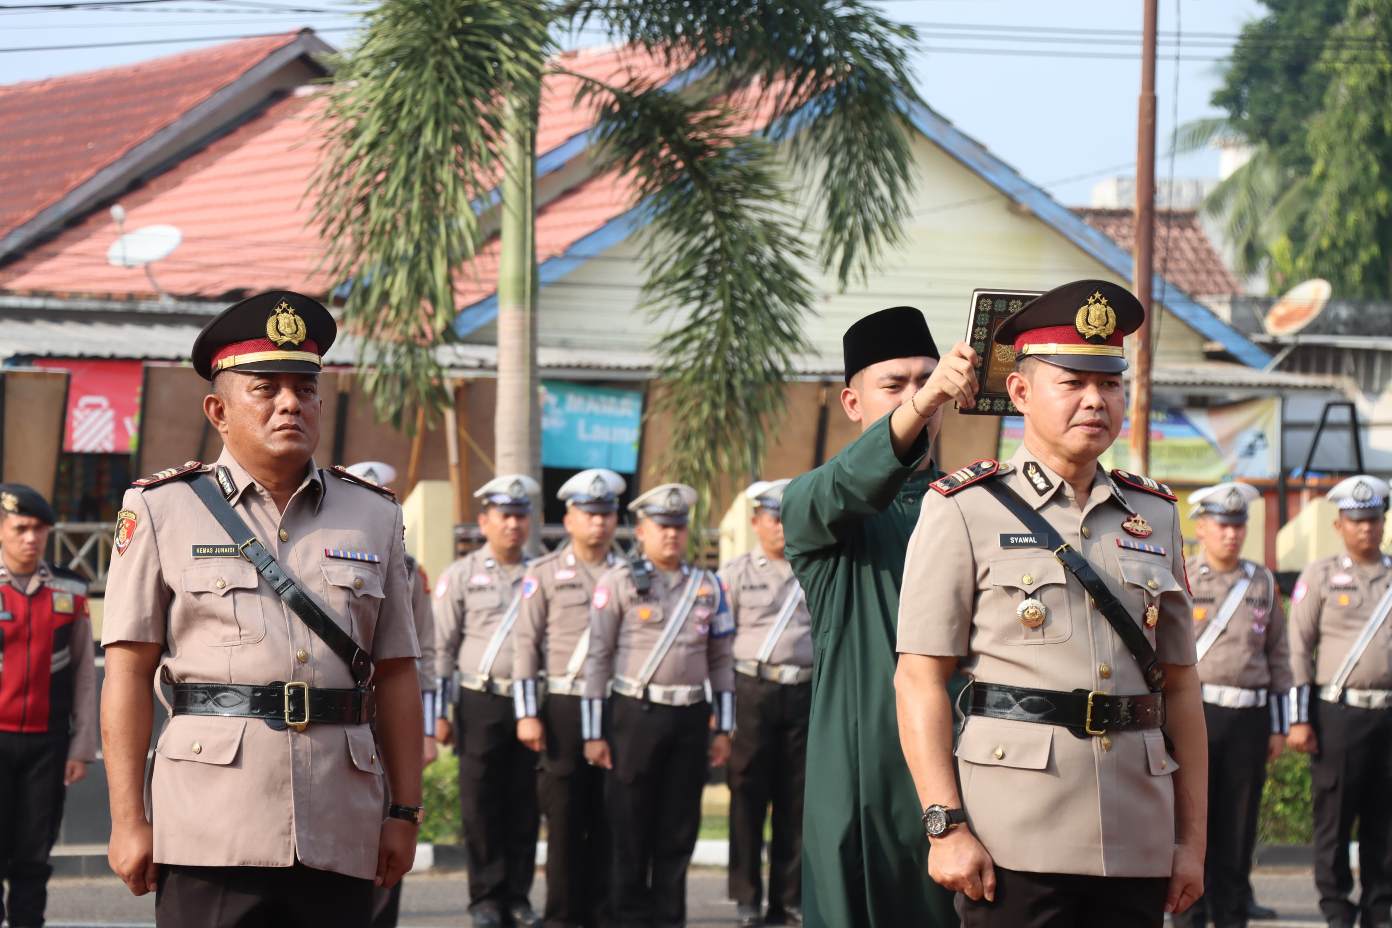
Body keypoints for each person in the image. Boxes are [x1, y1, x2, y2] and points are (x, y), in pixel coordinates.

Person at [100, 290, 424, 928]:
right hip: (210, 821)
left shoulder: (375, 515)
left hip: (340, 816)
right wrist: (128, 819)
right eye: (265, 387)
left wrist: (404, 812)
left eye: (303, 388)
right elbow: (128, 672)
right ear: (218, 410)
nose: (288, 403)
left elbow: (398, 673)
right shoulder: (161, 509)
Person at [894, 279, 1207, 928]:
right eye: (1072, 383)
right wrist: (944, 825)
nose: (1096, 400)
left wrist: (1190, 843)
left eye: (1110, 384)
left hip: (1136, 835)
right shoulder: (962, 509)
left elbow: (1180, 689)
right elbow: (919, 679)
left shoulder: (1155, 515)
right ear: (1020, 392)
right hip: (1014, 835)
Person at [780, 305, 976, 928]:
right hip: (862, 778)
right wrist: (919, 409)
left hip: (971, 771)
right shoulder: (819, 504)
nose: (921, 395)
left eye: (929, 379)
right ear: (852, 403)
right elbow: (853, 483)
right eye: (895, 385)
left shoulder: (977, 504)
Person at [581, 483, 734, 928]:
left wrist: (723, 727)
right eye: (662, 526)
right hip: (635, 716)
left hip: (689, 718)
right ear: (642, 531)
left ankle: (670, 918)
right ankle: (628, 917)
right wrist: (594, 732)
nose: (672, 535)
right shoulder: (620, 582)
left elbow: (722, 660)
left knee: (678, 829)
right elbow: (598, 658)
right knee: (629, 828)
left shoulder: (709, 586)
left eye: (679, 526)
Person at [1170, 482, 1289, 928]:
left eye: (1239, 526)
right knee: (1191, 820)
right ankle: (1189, 917)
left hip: (1249, 719)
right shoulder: (1183, 576)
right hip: (1195, 713)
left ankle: (1232, 916)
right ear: (1201, 527)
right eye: (1222, 525)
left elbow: (1278, 654)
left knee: (1238, 829)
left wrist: (1279, 726)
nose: (1232, 535)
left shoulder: (1261, 580)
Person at [514, 468, 625, 928]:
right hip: (561, 706)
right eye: (589, 514)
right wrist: (527, 714)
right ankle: (561, 915)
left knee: (607, 815)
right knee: (562, 819)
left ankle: (600, 912)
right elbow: (525, 644)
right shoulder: (543, 574)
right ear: (570, 518)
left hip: (616, 706)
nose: (598, 523)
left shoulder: (631, 574)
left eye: (606, 514)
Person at [434, 475, 544, 928]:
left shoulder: (543, 573)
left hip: (532, 705)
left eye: (521, 516)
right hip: (479, 701)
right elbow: (442, 647)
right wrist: (437, 712)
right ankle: (484, 896)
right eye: (505, 516)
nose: (514, 525)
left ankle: (517, 895)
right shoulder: (460, 576)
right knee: (480, 802)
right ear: (484, 521)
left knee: (525, 801)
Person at [1288, 475, 1392, 928]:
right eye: (1357, 520)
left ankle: (1378, 911)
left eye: (1374, 519)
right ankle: (1335, 911)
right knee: (1334, 819)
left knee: (1384, 825)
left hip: (1388, 714)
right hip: (1338, 715)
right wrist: (1298, 719)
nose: (1366, 529)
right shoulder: (1322, 575)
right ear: (1339, 525)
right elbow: (1297, 647)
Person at [345, 461, 440, 928]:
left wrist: (426, 729)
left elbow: (423, 656)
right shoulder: (327, 550)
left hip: (392, 721)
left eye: (387, 497)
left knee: (390, 826)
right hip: (339, 720)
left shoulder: (408, 570)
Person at [0, 484, 96, 928]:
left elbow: (82, 675)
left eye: (39, 529)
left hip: (47, 746)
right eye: (21, 528)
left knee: (33, 856)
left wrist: (81, 747)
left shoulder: (70, 589)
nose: (31, 538)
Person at [721, 479, 811, 927]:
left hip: (803, 691)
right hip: (751, 692)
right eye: (773, 518)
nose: (781, 527)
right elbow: (719, 647)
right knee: (747, 797)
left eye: (787, 517)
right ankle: (746, 897)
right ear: (757, 523)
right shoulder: (735, 574)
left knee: (796, 799)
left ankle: (788, 898)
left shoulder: (814, 568)